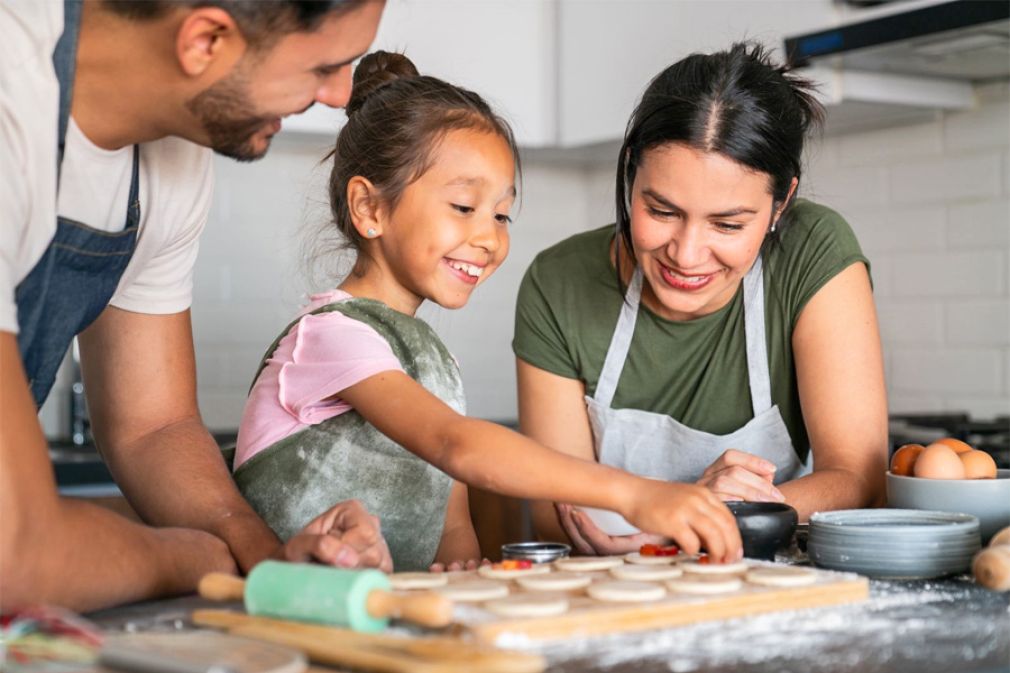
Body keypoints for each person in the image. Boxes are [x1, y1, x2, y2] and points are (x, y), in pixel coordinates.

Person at [232, 51, 743, 571]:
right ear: (370, 208)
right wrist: (637, 495)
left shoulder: (430, 362)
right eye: (463, 208)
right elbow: (457, 446)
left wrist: (461, 572)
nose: (489, 238)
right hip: (289, 613)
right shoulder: (330, 336)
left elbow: (451, 520)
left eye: (501, 214)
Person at [0, 0, 392, 613]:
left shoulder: (169, 150)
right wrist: (201, 557)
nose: (342, 95)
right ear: (205, 39)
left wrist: (263, 557)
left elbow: (152, 426)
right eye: (325, 65)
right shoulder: (10, 94)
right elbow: (14, 553)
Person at [514, 43, 888, 556]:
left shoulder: (813, 252)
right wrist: (691, 508)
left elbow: (859, 479)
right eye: (662, 211)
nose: (687, 255)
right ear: (630, 172)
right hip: (616, 594)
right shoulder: (558, 282)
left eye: (728, 224)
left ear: (781, 204)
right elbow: (557, 517)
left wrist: (715, 516)